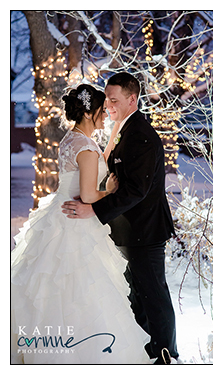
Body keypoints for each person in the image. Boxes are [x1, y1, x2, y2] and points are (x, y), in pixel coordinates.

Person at [11, 84, 150, 364]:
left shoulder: (71, 139)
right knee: (81, 290)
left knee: (50, 288)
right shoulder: (86, 147)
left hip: (57, 216)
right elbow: (87, 195)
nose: (105, 115)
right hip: (75, 221)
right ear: (89, 112)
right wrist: (110, 192)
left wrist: (112, 137)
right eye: (101, 110)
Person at [61, 72, 178, 364]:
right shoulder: (121, 129)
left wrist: (94, 209)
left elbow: (137, 189)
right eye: (106, 100)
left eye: (113, 100)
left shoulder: (140, 134)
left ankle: (165, 353)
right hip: (125, 229)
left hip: (145, 229)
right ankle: (145, 349)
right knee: (137, 294)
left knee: (153, 293)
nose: (108, 106)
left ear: (131, 99)